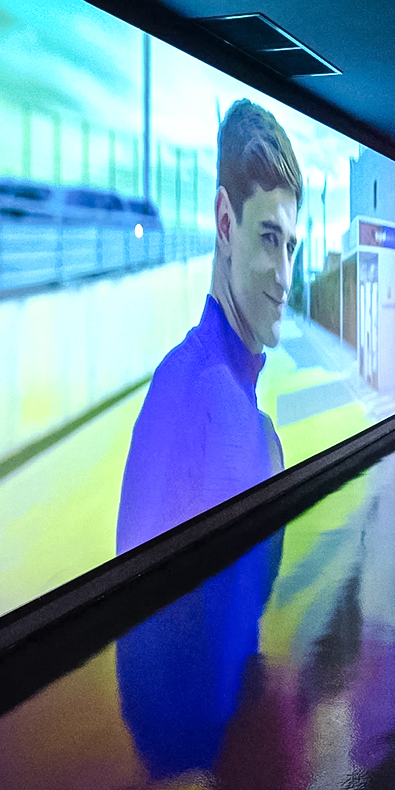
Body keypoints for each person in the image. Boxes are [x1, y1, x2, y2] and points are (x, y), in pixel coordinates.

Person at [117, 100, 298, 553]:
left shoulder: (196, 379)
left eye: (291, 248)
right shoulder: (211, 399)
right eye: (269, 238)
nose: (285, 275)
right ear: (224, 223)